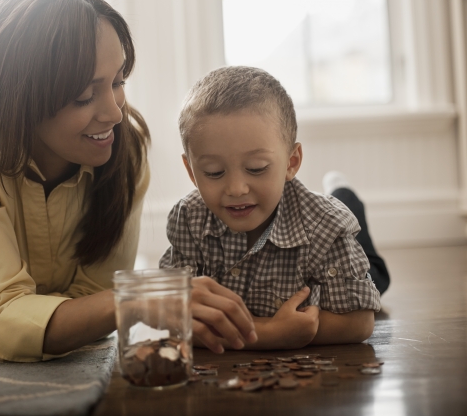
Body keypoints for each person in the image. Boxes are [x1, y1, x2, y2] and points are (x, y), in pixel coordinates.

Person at [0, 0, 257, 364]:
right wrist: (141, 296)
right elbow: (12, 317)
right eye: (84, 95)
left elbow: (93, 300)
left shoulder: (124, 148)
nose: (114, 113)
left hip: (22, 272)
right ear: (19, 99)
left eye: (118, 81)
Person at [160, 66, 387, 351]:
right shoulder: (188, 218)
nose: (236, 189)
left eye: (256, 168)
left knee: (376, 275)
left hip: (329, 249)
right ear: (192, 172)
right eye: (214, 172)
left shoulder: (329, 225)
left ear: (291, 162)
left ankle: (344, 193)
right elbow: (167, 313)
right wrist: (268, 333)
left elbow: (359, 322)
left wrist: (278, 333)